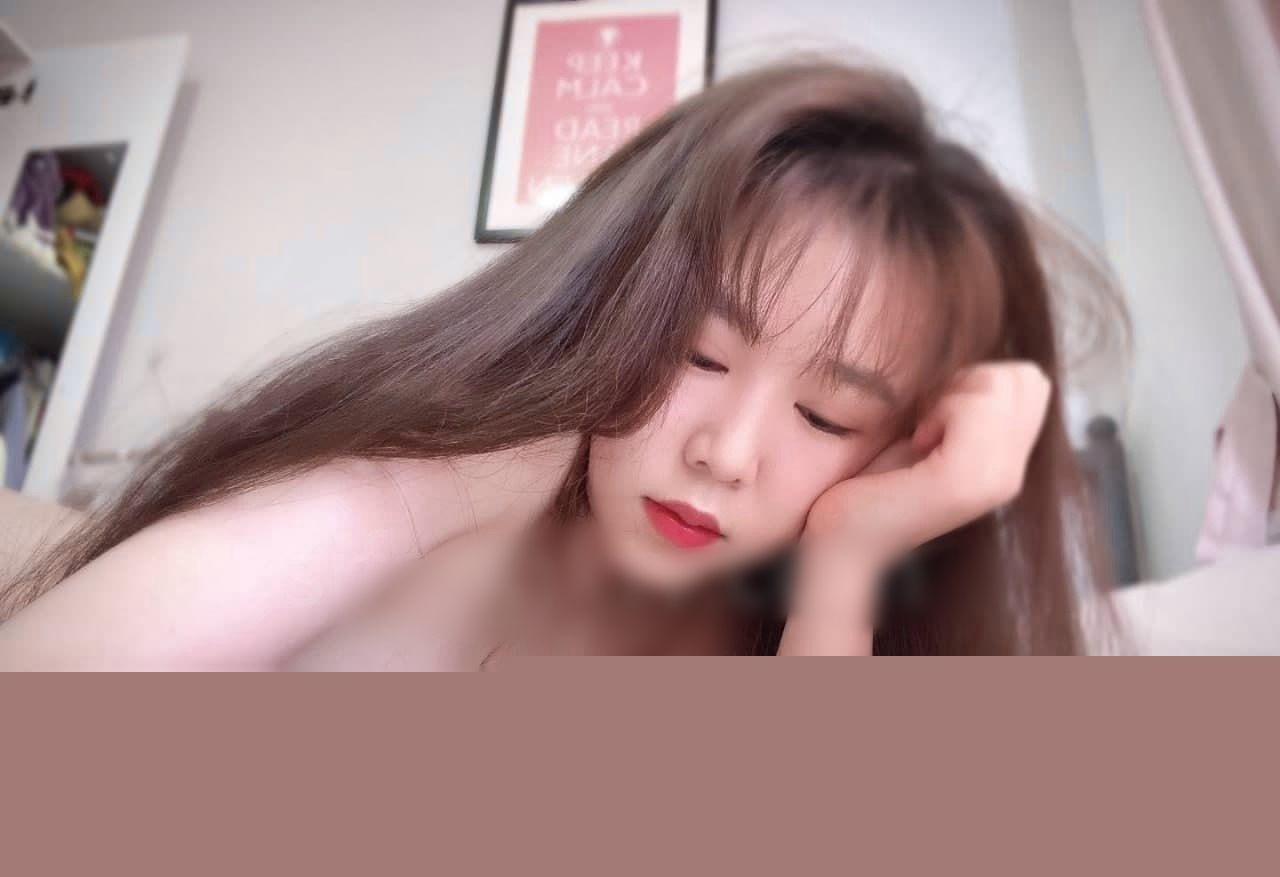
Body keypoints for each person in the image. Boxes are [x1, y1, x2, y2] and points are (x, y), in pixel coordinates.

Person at [0, 60, 1119, 667]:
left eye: (825, 417)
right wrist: (451, 475)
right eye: (696, 351)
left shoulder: (801, 627)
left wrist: (850, 563)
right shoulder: (451, 496)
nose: (724, 454)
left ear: (898, 445)